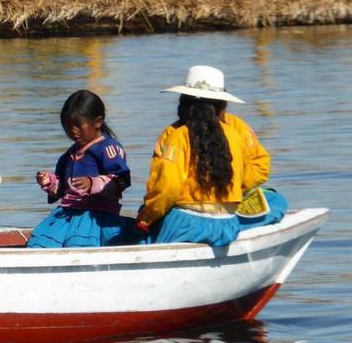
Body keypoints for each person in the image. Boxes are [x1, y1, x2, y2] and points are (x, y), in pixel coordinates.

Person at [136, 65, 253, 246]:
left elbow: (168, 187)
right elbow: (248, 179)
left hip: (186, 223)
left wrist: (146, 217)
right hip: (227, 224)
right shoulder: (236, 137)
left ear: (184, 104)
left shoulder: (178, 136)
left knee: (142, 237)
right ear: (221, 107)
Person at [25, 90, 132, 248]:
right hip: (66, 215)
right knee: (38, 245)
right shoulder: (69, 155)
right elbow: (63, 189)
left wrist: (92, 183)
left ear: (98, 122)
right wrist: (49, 182)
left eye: (77, 125)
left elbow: (121, 179)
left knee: (78, 246)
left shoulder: (109, 148)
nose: (72, 131)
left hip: (95, 217)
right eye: (67, 126)